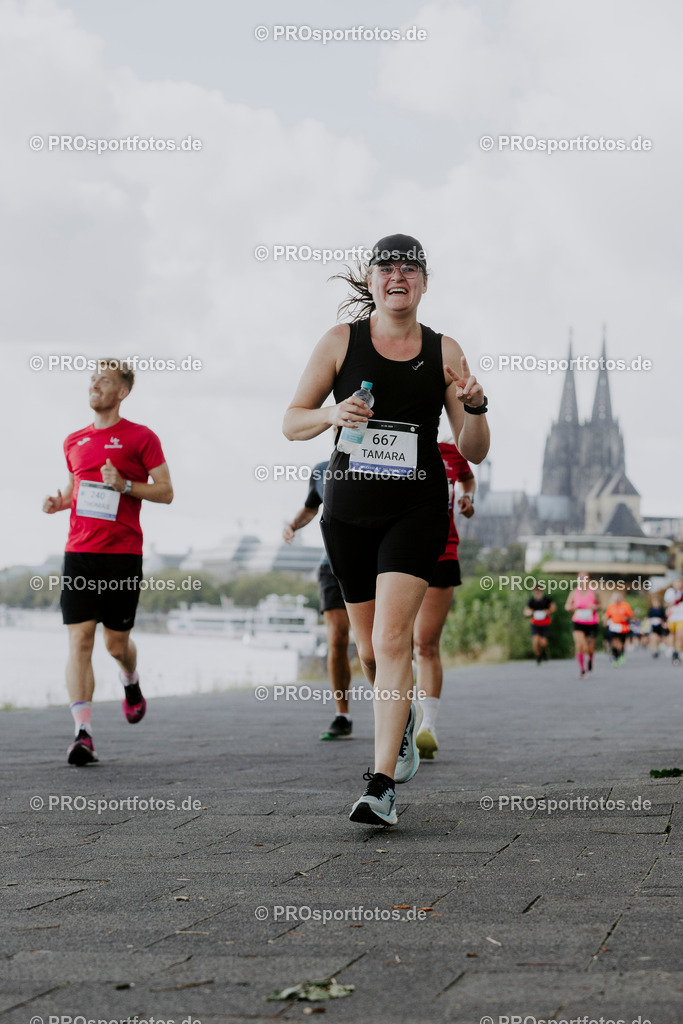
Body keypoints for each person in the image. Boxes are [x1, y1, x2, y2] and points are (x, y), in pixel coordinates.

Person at [283, 233, 489, 826]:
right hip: (348, 512)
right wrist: (331, 412)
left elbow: (472, 450)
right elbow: (291, 422)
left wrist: (475, 408)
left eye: (410, 269)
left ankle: (381, 786)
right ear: (371, 281)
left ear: (424, 283)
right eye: (387, 268)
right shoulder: (338, 342)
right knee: (370, 649)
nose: (398, 276)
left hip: (415, 510)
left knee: (396, 642)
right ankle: (397, 725)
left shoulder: (444, 348)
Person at [42, 359, 173, 765]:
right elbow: (75, 489)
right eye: (92, 379)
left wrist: (127, 485)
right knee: (80, 640)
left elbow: (166, 491)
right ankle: (83, 733)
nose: (95, 385)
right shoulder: (73, 440)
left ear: (123, 391)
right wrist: (58, 503)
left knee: (116, 645)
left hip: (122, 555)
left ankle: (130, 679)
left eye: (105, 380)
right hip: (79, 553)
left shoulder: (141, 437)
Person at [413, 436, 475, 760]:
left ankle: (428, 726)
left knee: (425, 643)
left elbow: (467, 477)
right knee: (388, 645)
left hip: (442, 552)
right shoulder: (397, 438)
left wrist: (467, 498)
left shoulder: (451, 450)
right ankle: (402, 715)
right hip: (396, 554)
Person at [283, 460, 353, 739]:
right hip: (330, 565)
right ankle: (342, 715)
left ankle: (397, 710)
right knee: (337, 638)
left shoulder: (374, 460)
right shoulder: (321, 469)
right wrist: (293, 525)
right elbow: (312, 506)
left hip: (369, 565)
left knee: (376, 644)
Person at [565, 573, 599, 678]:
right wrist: (572, 607)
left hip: (591, 622)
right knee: (580, 645)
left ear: (588, 580)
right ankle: (582, 669)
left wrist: (595, 606)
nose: (582, 581)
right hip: (578, 622)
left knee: (589, 648)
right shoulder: (574, 592)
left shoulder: (594, 592)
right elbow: (567, 606)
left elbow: (601, 605)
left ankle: (590, 658)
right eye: (580, 579)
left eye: (585, 579)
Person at [523, 585, 556, 665]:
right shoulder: (531, 601)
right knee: (535, 641)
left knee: (543, 642)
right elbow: (526, 611)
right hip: (535, 623)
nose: (537, 592)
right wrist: (529, 612)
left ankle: (544, 651)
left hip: (545, 623)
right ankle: (538, 656)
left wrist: (548, 611)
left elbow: (553, 607)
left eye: (538, 590)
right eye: (535, 591)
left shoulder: (546, 599)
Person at [604, 595, 634, 665]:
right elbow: (607, 616)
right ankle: (615, 655)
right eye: (615, 599)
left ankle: (621, 653)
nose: (617, 600)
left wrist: (626, 618)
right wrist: (606, 622)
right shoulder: (611, 606)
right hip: (614, 627)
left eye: (618, 599)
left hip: (623, 627)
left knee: (621, 643)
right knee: (614, 641)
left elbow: (631, 616)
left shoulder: (625, 606)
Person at [664, 578, 683, 666]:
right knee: (672, 634)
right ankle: (672, 649)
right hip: (672, 616)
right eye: (677, 582)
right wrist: (674, 600)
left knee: (680, 635)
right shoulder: (670, 592)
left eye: (680, 582)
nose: (678, 584)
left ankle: (678, 652)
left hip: (681, 617)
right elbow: (666, 604)